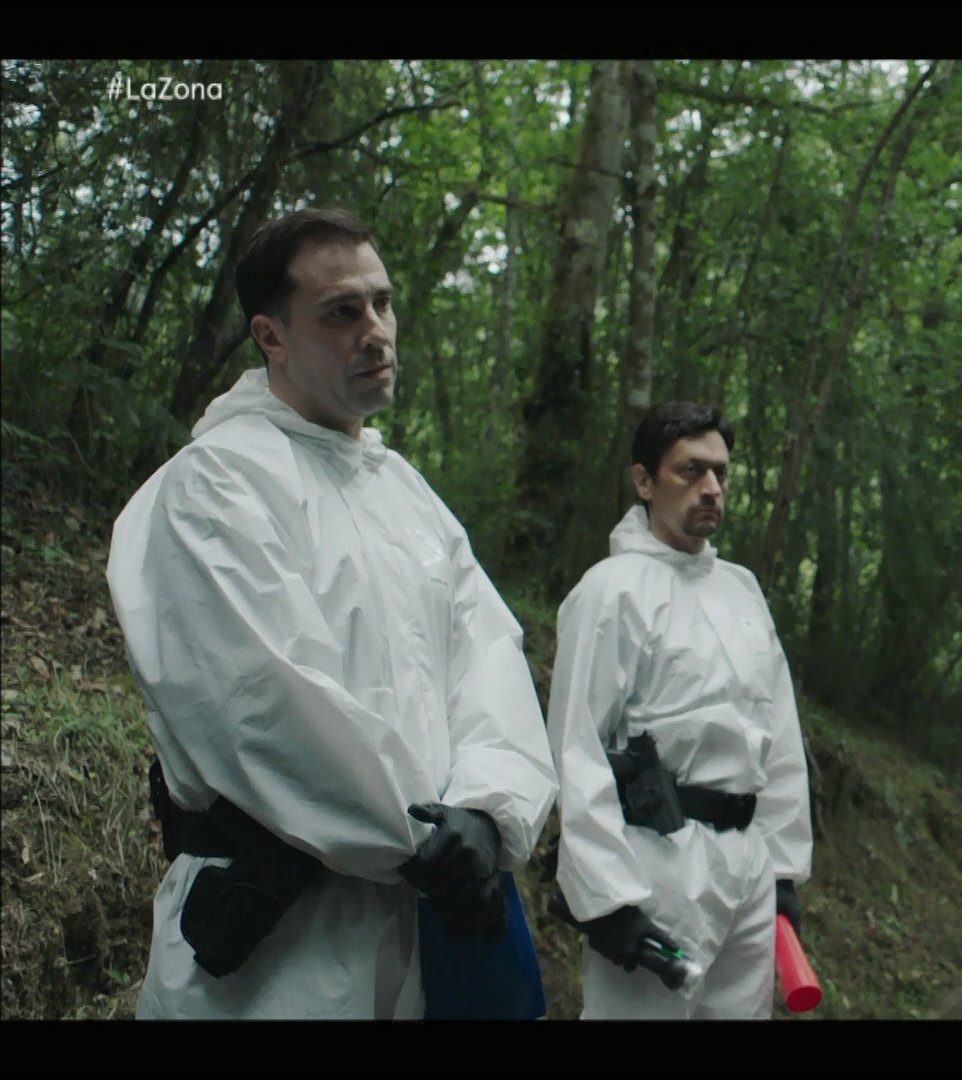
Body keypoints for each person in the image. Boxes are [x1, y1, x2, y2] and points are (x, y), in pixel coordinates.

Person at [107, 208, 558, 1020]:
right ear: (271, 336)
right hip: (284, 948)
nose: (375, 332)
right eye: (342, 312)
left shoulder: (406, 495)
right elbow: (263, 705)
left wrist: (489, 813)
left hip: (431, 928)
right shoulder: (213, 486)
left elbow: (489, 662)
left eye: (382, 303)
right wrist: (422, 839)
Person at [545, 401, 813, 1020]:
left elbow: (777, 735)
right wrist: (605, 898)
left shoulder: (742, 590)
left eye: (721, 472)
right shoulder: (610, 591)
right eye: (691, 470)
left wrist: (781, 872)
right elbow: (576, 747)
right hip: (656, 861)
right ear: (644, 481)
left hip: (747, 864)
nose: (711, 487)